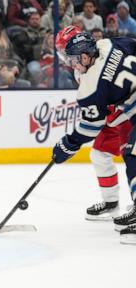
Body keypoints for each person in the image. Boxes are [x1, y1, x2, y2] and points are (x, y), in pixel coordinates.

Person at [52, 31, 136, 244]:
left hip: (120, 113)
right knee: (100, 155)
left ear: (85, 53)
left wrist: (69, 144)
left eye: (71, 56)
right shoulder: (106, 44)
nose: (69, 62)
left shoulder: (90, 82)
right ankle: (110, 203)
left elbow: (91, 124)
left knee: (132, 155)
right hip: (118, 110)